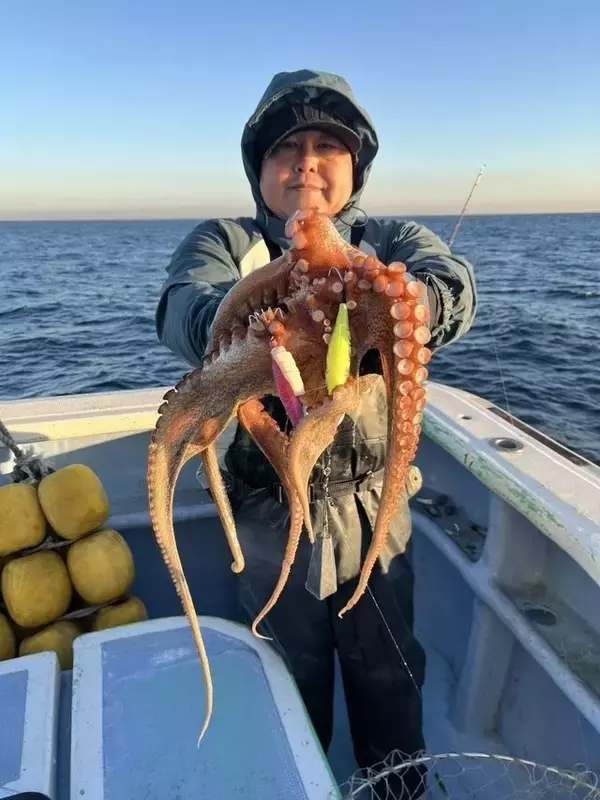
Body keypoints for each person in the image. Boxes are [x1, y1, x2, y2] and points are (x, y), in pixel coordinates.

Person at [156, 69, 477, 797]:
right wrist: (245, 330)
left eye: (328, 145)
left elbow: (452, 283)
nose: (305, 160)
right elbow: (183, 305)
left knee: (388, 671)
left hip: (374, 507)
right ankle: (291, 779)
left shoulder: (391, 239)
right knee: (283, 669)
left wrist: (400, 305)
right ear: (259, 171)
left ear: (354, 168)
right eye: (286, 148)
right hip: (268, 512)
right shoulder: (227, 241)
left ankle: (399, 784)